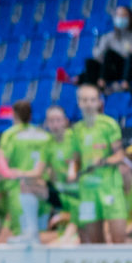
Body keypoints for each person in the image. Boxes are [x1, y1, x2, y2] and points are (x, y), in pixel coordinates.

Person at [70, 84, 128, 244]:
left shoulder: (109, 125)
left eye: (92, 100)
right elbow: (76, 160)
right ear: (79, 103)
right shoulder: (76, 130)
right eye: (84, 100)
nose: (88, 104)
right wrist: (72, 172)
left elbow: (120, 156)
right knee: (94, 244)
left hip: (110, 189)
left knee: (119, 241)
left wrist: (103, 161)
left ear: (98, 102)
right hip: (87, 192)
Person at [0, 100, 51, 244]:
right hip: (43, 191)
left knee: (24, 237)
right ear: (31, 115)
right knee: (41, 235)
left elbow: (2, 168)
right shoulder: (44, 135)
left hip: (20, 191)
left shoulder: (10, 135)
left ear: (14, 115)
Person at [40, 104, 80, 245]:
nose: (55, 124)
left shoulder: (75, 138)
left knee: (65, 243)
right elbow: (44, 172)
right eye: (51, 121)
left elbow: (78, 165)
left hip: (79, 193)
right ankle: (32, 229)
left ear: (65, 121)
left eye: (58, 120)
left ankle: (70, 234)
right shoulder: (47, 144)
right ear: (47, 123)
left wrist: (72, 167)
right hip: (62, 194)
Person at [80, 5, 132, 90]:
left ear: (130, 17)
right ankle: (92, 92)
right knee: (90, 63)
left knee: (110, 54)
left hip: (126, 68)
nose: (120, 18)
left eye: (123, 15)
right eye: (118, 15)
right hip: (111, 69)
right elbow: (97, 54)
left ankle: (102, 83)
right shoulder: (109, 36)